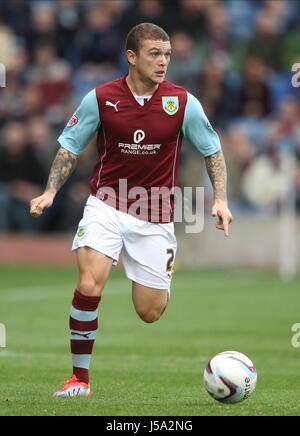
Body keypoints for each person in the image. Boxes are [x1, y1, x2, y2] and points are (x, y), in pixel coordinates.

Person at [30, 23, 233, 398]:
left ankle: (156, 269)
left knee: (150, 312)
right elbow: (70, 148)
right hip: (106, 203)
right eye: (155, 54)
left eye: (168, 54)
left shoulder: (183, 102)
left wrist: (220, 198)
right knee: (89, 283)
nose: (163, 62)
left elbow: (212, 151)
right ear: (132, 57)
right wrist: (50, 192)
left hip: (155, 213)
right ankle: (79, 380)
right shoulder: (100, 98)